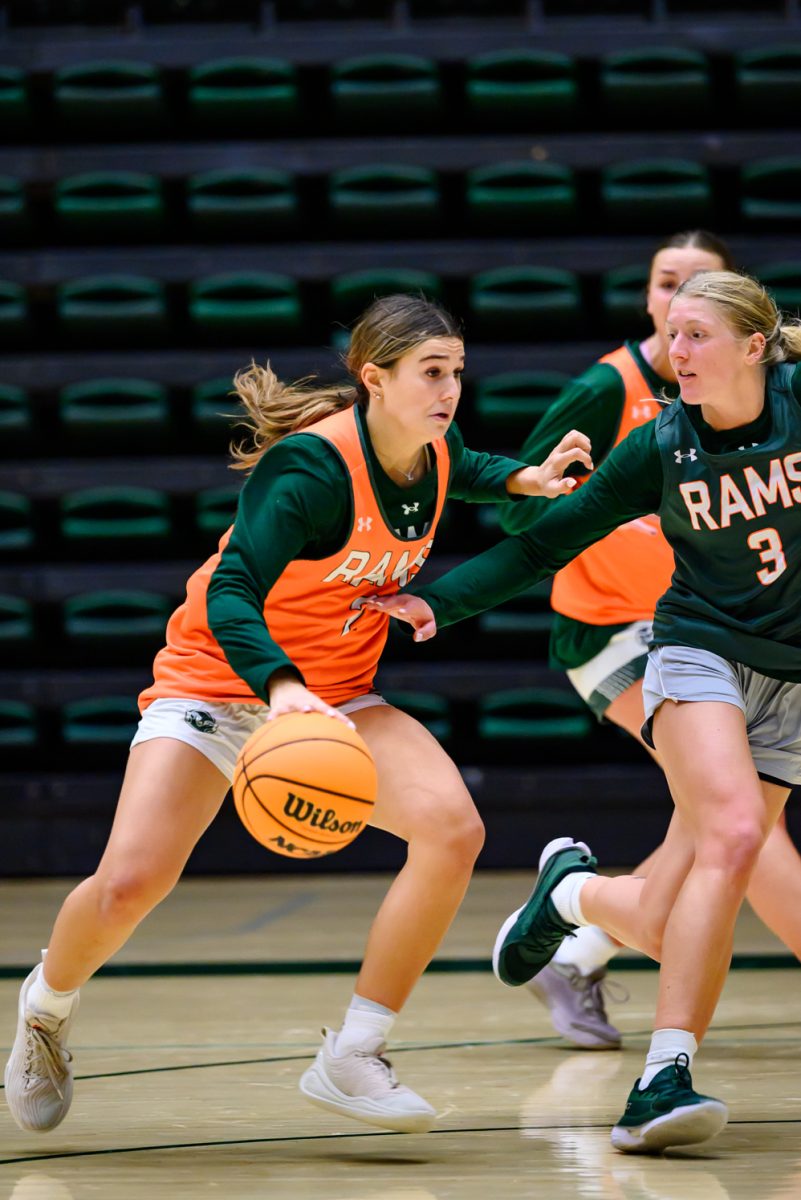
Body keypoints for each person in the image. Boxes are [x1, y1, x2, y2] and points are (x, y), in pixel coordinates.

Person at [4, 293, 591, 1137]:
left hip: (337, 692)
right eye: (431, 373)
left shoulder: (433, 445)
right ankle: (46, 1012)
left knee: (452, 830)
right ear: (373, 379)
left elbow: (464, 468)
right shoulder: (308, 473)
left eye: (457, 372)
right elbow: (233, 589)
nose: (450, 390)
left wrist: (520, 479)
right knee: (131, 883)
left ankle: (353, 1054)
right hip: (220, 682)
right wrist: (279, 687)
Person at [367, 271, 801, 1152]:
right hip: (695, 652)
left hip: (789, 676)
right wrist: (438, 603)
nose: (675, 355)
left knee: (668, 901)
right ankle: (661, 1079)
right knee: (732, 838)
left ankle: (571, 892)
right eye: (670, 334)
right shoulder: (660, 444)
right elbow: (549, 540)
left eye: (697, 337)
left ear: (754, 347)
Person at [497, 231, 801, 1052]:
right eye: (666, 285)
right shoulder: (610, 389)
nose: (678, 303)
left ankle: (582, 928)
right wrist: (627, 516)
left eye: (697, 288)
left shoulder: (769, 399)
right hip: (614, 632)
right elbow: (524, 511)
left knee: (708, 833)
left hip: (733, 633)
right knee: (744, 829)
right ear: (648, 299)